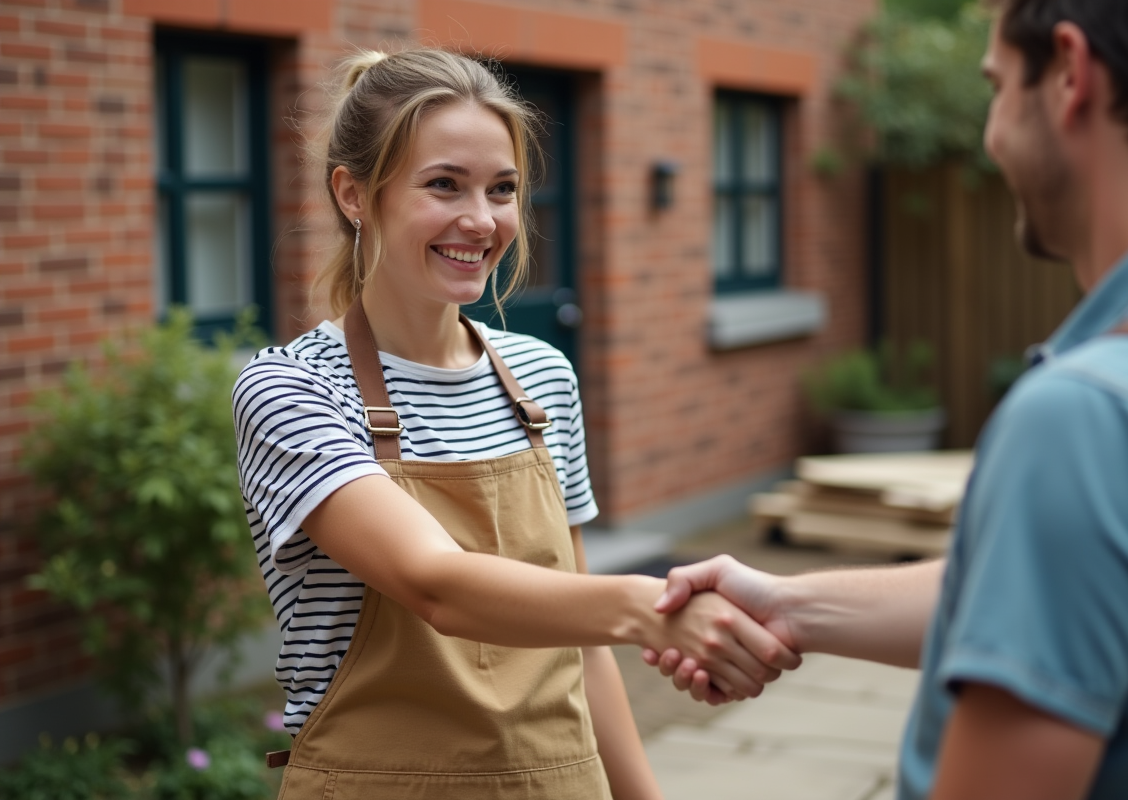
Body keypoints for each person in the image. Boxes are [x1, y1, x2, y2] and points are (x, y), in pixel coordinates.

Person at [645, 1, 1128, 798]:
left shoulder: (1089, 418)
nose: (991, 136)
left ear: (1071, 75)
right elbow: (1084, 585)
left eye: (999, 87)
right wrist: (792, 604)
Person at [232, 48, 797, 800]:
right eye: (443, 185)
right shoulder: (291, 388)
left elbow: (585, 648)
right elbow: (436, 585)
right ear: (354, 195)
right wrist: (650, 611)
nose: (481, 220)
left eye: (502, 190)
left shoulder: (541, 378)